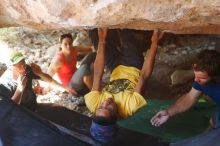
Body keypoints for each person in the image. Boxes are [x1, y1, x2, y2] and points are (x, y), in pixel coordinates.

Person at [86, 28, 164, 142]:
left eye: (101, 106)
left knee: (94, 32)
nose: (106, 103)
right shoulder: (130, 107)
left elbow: (98, 74)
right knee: (124, 30)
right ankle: (143, 40)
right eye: (109, 108)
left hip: (114, 68)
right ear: (116, 115)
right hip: (133, 64)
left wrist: (102, 41)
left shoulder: (93, 104)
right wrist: (154, 43)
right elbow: (144, 76)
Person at [151, 49, 220, 129]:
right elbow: (190, 97)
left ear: (215, 76)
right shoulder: (200, 81)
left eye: (202, 78)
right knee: (214, 123)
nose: (196, 80)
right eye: (195, 75)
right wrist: (169, 112)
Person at [0, 51, 75, 111]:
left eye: (24, 63)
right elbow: (8, 109)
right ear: (11, 66)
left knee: (59, 108)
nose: (23, 68)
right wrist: (20, 89)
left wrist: (40, 73)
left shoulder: (27, 69)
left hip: (34, 106)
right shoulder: (5, 84)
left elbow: (49, 80)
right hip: (22, 115)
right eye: (19, 65)